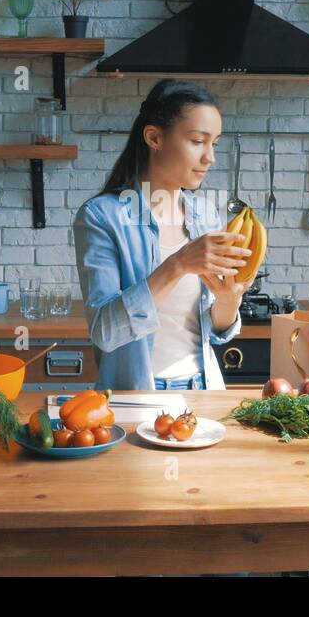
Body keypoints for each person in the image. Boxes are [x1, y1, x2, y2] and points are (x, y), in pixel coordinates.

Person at [72, 79, 250, 391]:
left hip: (205, 391)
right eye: (198, 141)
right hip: (137, 395)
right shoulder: (102, 217)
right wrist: (178, 264)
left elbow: (214, 329)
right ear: (154, 138)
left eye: (215, 143)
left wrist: (228, 299)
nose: (211, 157)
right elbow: (105, 331)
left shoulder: (206, 214)